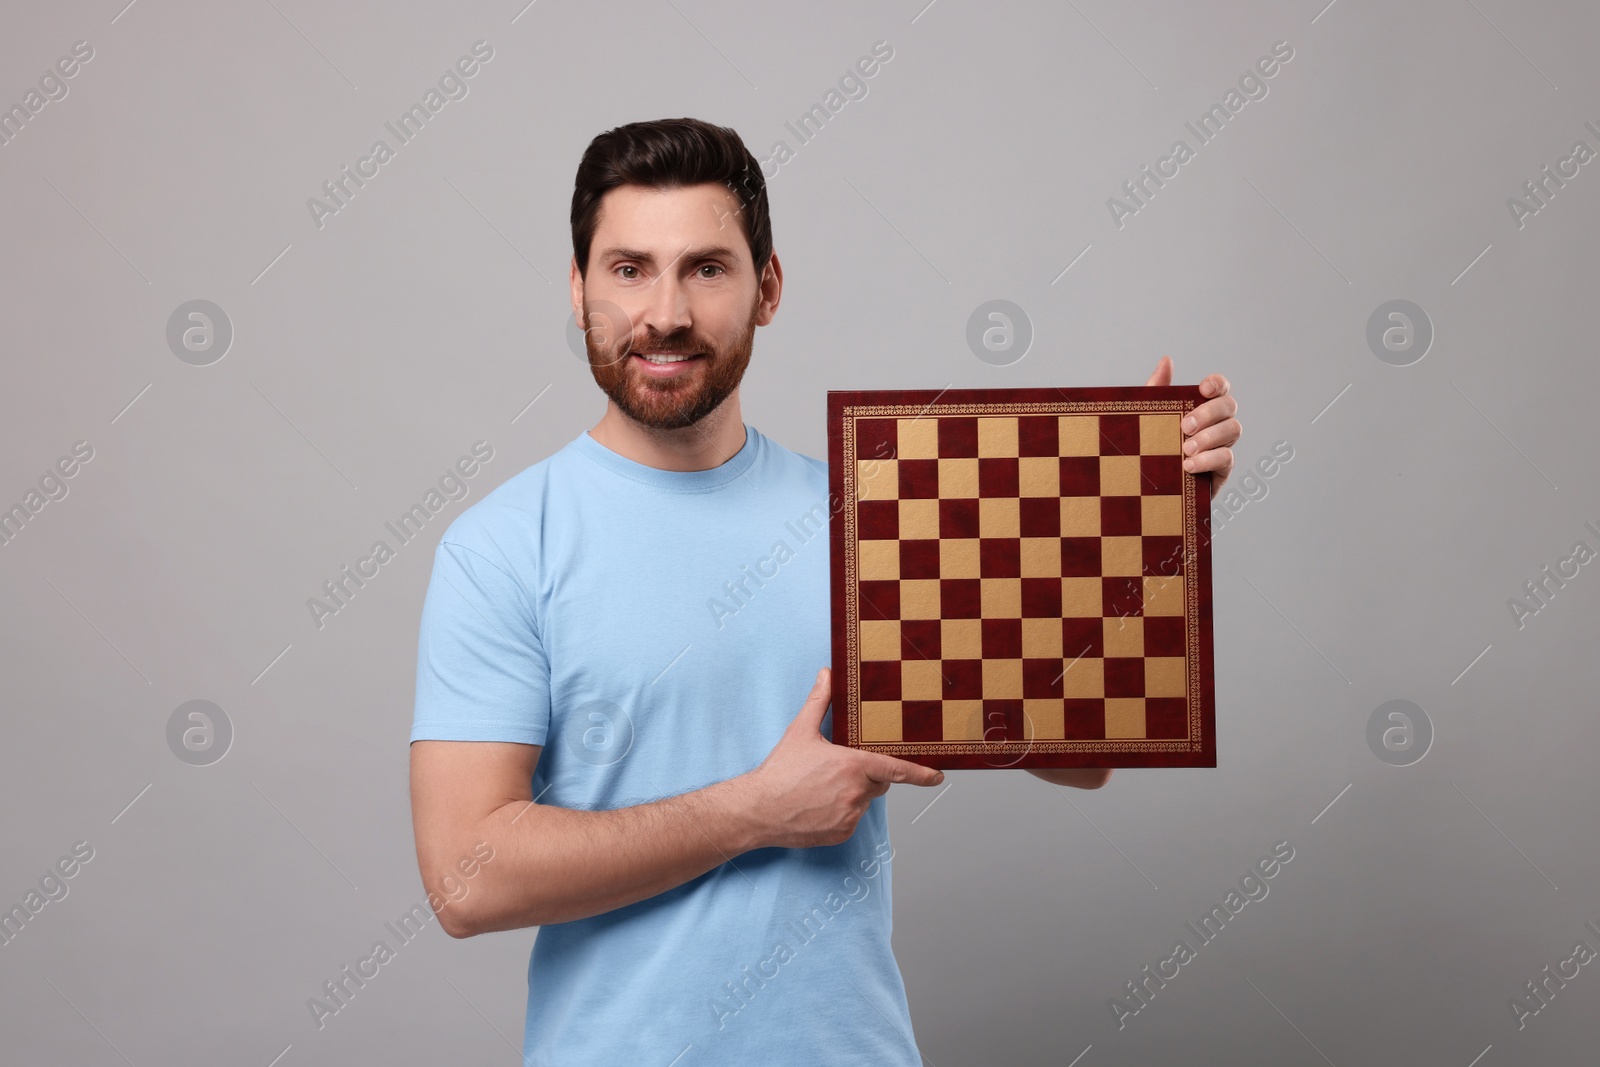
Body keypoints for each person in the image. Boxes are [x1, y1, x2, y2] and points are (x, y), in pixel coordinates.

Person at [408, 117, 1241, 1065]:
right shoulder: (503, 547)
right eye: (629, 268)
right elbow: (465, 881)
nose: (667, 312)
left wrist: (1131, 520)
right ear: (578, 288)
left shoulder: (871, 518)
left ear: (768, 288)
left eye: (708, 268)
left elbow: (1077, 756)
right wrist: (754, 811)